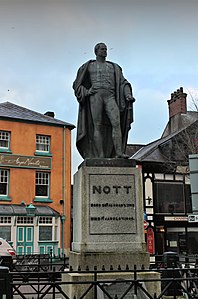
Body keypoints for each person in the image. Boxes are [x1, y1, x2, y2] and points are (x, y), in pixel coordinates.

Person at [73, 42, 135, 159]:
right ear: (96, 51)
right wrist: (87, 91)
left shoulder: (113, 67)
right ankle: (100, 155)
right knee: (97, 126)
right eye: (102, 49)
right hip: (95, 96)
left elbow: (123, 82)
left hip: (110, 96)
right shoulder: (88, 66)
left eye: (106, 49)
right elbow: (77, 84)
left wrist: (128, 94)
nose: (104, 51)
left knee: (116, 123)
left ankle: (119, 153)